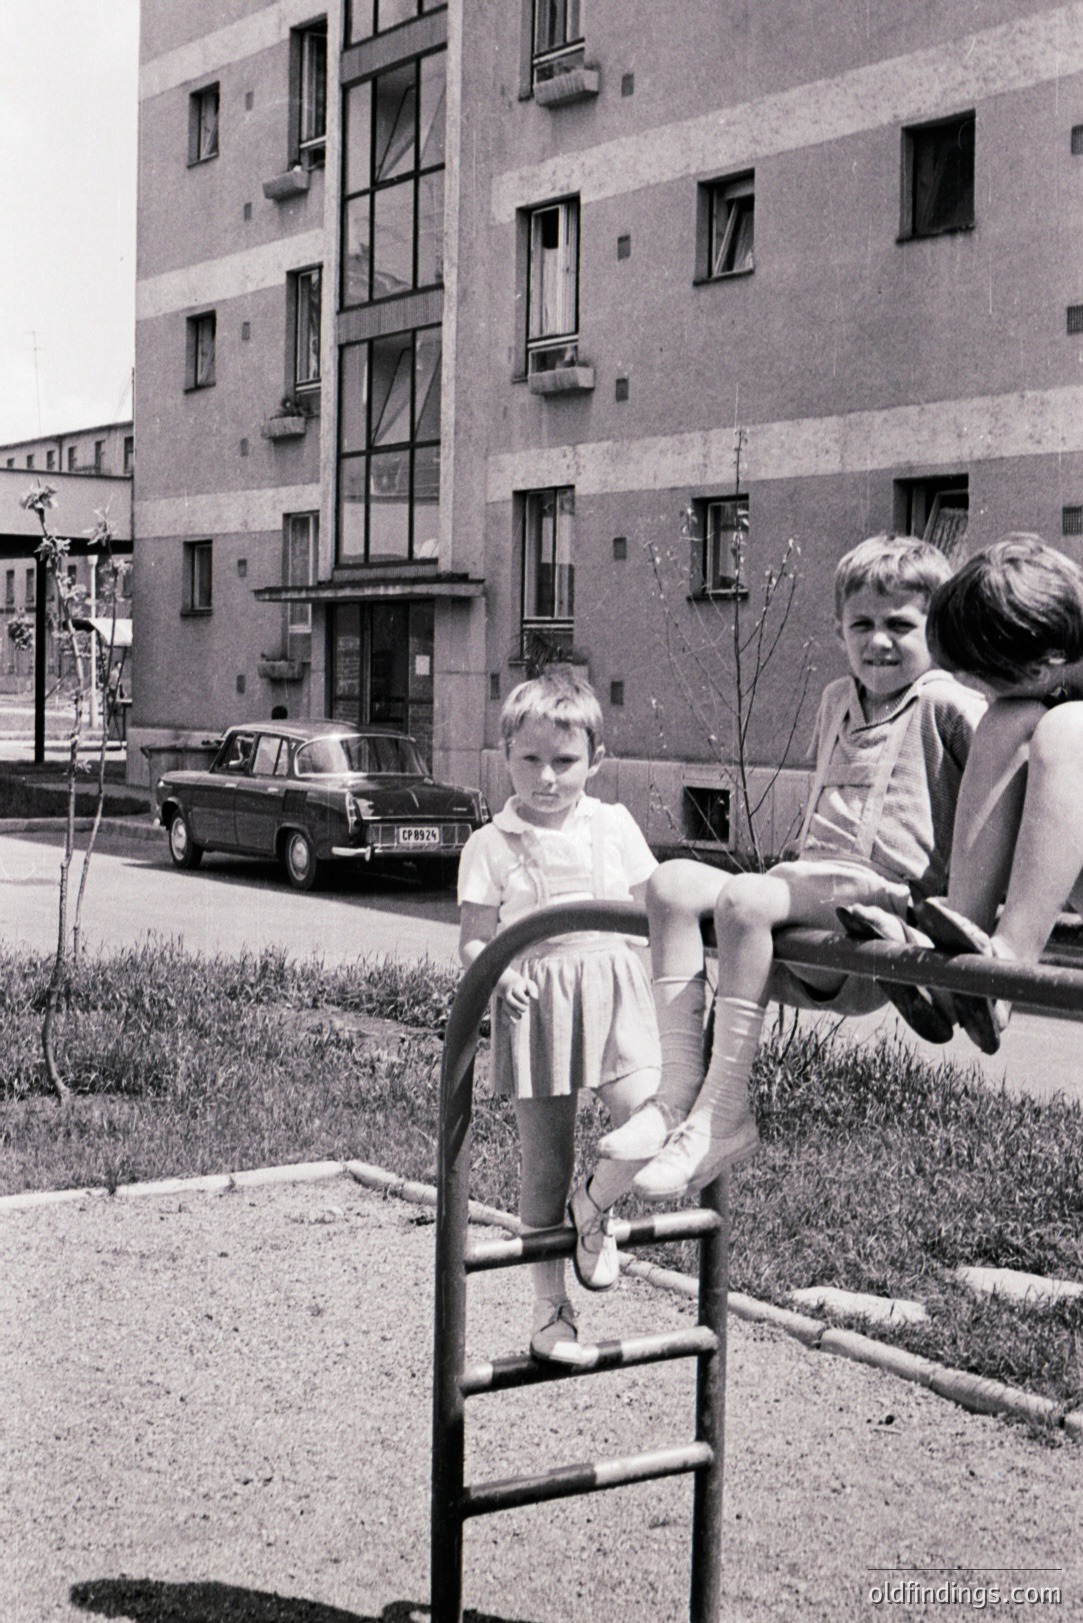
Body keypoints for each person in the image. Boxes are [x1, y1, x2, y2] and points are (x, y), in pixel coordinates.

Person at [598, 534, 987, 1200]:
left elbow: (998, 799)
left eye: (900, 625)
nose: (878, 641)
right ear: (838, 629)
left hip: (889, 911)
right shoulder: (837, 698)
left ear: (938, 630)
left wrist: (973, 914)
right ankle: (677, 1092)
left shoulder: (948, 703)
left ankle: (725, 1109)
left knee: (750, 897)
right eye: (860, 625)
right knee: (671, 883)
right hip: (813, 898)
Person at [457, 670, 661, 1363]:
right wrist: (500, 972)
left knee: (652, 1116)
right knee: (545, 1164)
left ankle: (596, 1204)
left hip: (616, 989)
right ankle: (550, 1310)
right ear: (505, 756)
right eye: (530, 761)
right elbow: (475, 937)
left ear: (595, 761)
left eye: (564, 762)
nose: (546, 777)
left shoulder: (614, 825)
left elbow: (651, 916)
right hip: (539, 1000)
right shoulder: (492, 843)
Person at [847, 536, 1083, 1052]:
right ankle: (960, 959)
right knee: (1007, 721)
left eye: (984, 676)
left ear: (1045, 664)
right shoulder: (1035, 691)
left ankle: (1005, 972)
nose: (977, 689)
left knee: (1068, 728)